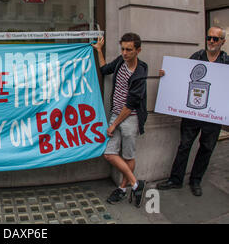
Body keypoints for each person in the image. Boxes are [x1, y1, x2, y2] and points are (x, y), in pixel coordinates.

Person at [157, 26, 228, 196]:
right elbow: (181, 76)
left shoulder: (226, 62)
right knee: (184, 145)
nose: (211, 41)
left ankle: (196, 180)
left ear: (222, 42)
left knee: (206, 147)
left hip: (213, 115)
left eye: (215, 39)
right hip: (193, 113)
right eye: (209, 37)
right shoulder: (197, 57)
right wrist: (167, 75)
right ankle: (176, 179)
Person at [92, 33, 148, 208]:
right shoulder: (120, 62)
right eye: (122, 49)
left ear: (138, 50)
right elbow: (104, 70)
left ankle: (123, 189)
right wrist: (99, 50)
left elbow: (130, 105)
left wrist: (114, 124)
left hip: (130, 118)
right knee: (109, 153)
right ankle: (136, 184)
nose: (124, 53)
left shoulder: (140, 74)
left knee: (128, 155)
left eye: (128, 50)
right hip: (116, 114)